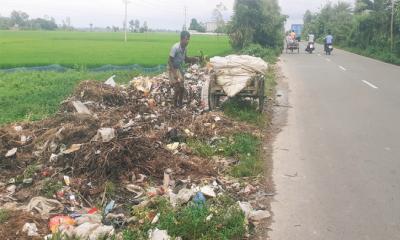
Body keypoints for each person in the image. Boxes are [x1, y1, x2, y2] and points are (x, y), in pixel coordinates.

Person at [168, 31, 198, 107]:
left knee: (182, 88)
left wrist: (193, 59)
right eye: (186, 39)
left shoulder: (185, 48)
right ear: (181, 39)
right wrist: (174, 74)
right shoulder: (175, 47)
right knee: (177, 88)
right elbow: (169, 61)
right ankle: (174, 105)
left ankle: (180, 104)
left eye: (188, 39)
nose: (188, 41)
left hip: (179, 68)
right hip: (173, 68)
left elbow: (186, 59)